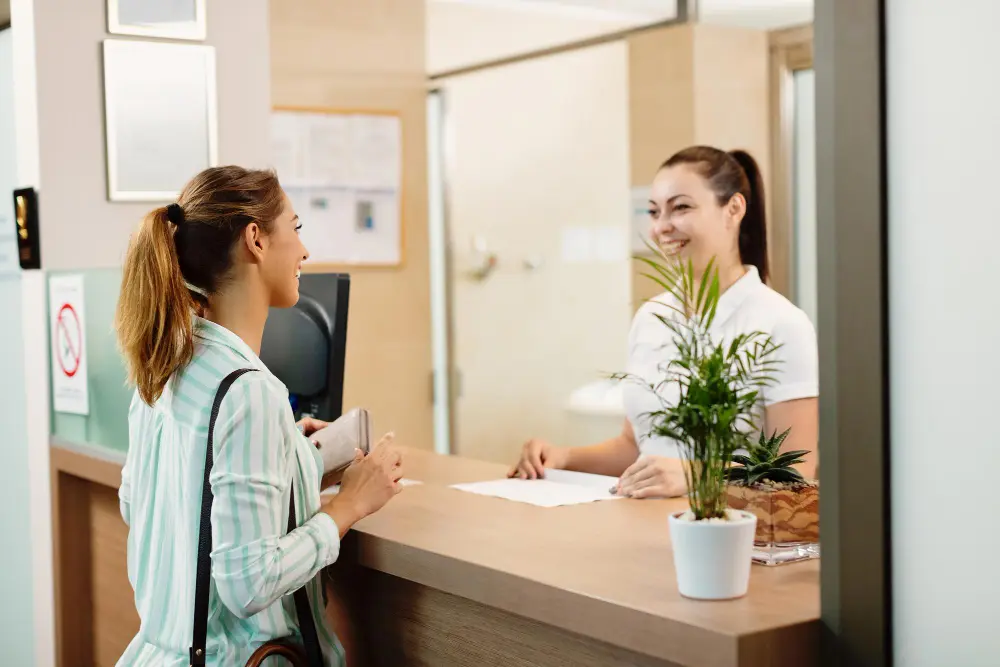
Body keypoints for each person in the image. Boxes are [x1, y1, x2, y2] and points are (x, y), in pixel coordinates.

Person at [114, 166, 402, 666]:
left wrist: (294, 458)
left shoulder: (163, 363)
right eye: (295, 228)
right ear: (256, 240)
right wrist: (348, 506)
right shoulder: (250, 391)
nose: (304, 251)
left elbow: (143, 503)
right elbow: (248, 583)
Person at [509, 146, 818, 498]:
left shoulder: (782, 324)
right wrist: (562, 457)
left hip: (733, 537)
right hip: (640, 528)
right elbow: (636, 445)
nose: (660, 228)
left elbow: (794, 470)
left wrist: (697, 475)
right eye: (654, 212)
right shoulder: (652, 317)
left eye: (681, 207)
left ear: (733, 209)